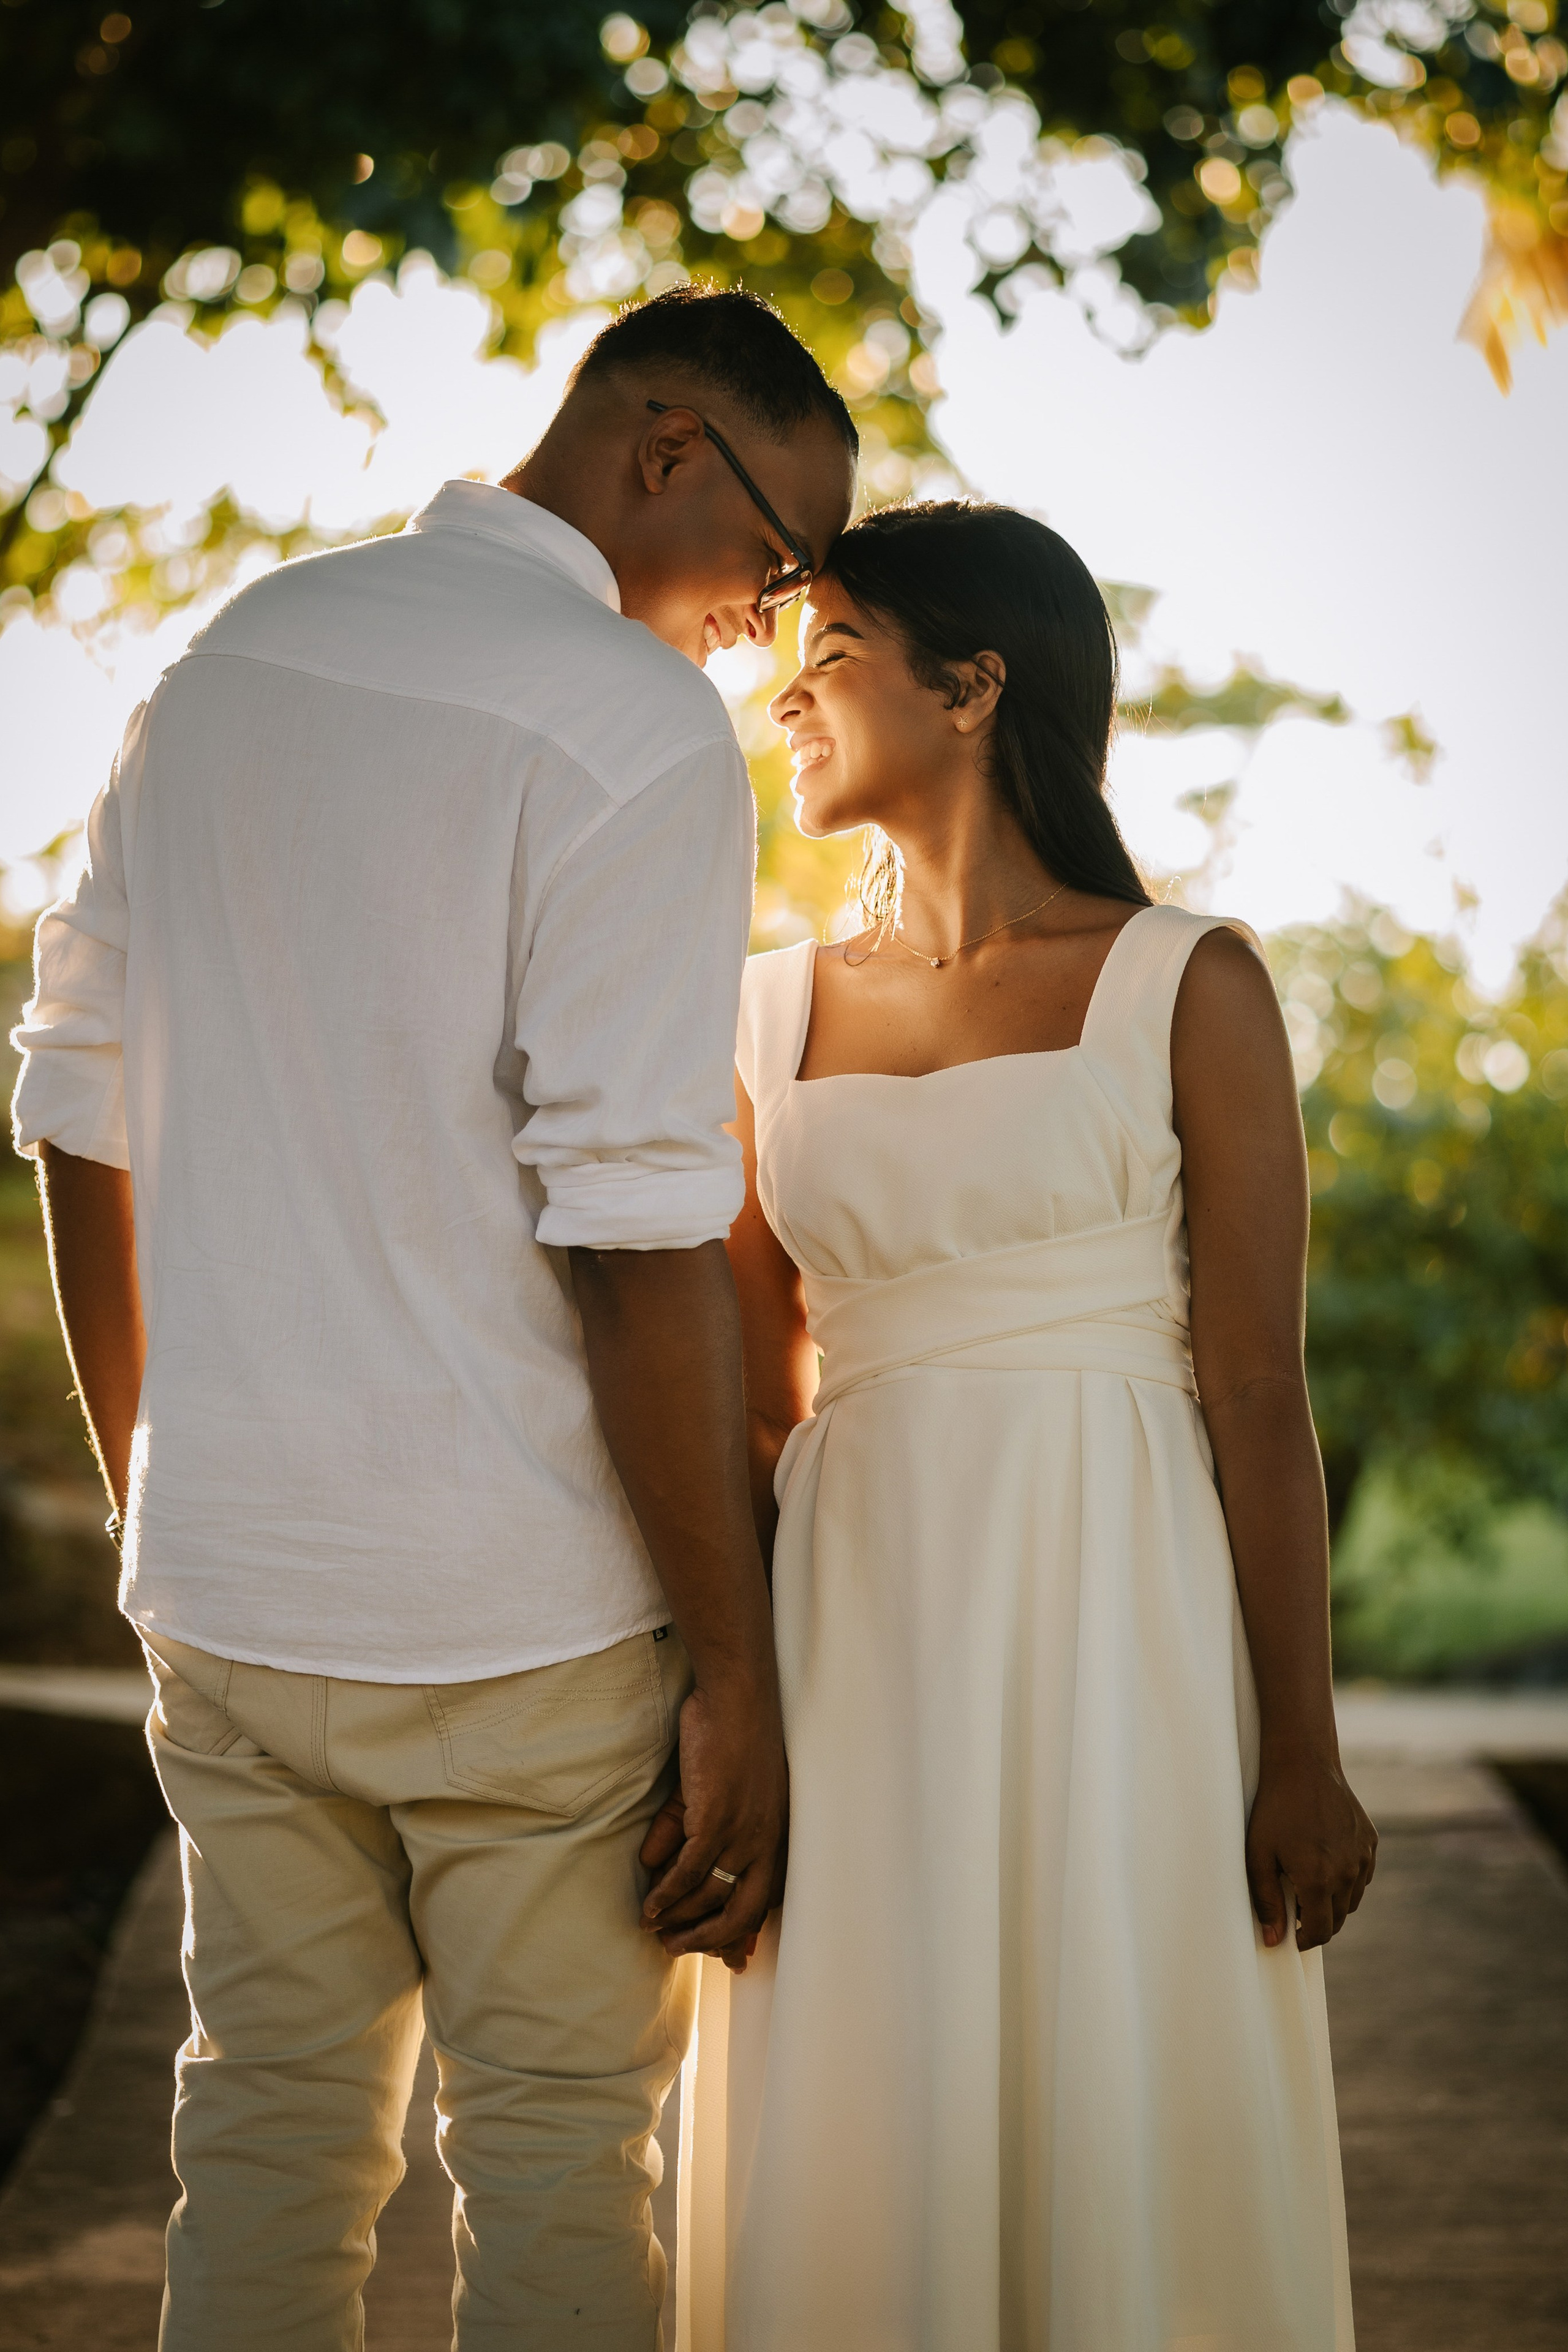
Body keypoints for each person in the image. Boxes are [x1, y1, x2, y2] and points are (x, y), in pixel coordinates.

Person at [10, 286, 856, 2352]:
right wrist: (735, 1670)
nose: (777, 620)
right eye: (781, 555)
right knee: (564, 2164)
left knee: (270, 2150)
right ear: (667, 448)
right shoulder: (627, 724)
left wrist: (153, 1491)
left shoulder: (225, 663)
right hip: (526, 1618)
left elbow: (71, 1107)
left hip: (231, 1586)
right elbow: (642, 1235)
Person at [679, 500, 1378, 2350]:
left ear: (975, 686)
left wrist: (1301, 1741)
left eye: (825, 663)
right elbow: (753, 1402)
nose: (785, 707)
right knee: (870, 2085)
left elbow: (1255, 1390)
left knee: (1114, 2080)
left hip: (1122, 1619)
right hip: (858, 1624)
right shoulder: (756, 1017)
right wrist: (725, 1704)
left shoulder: (1188, 982)